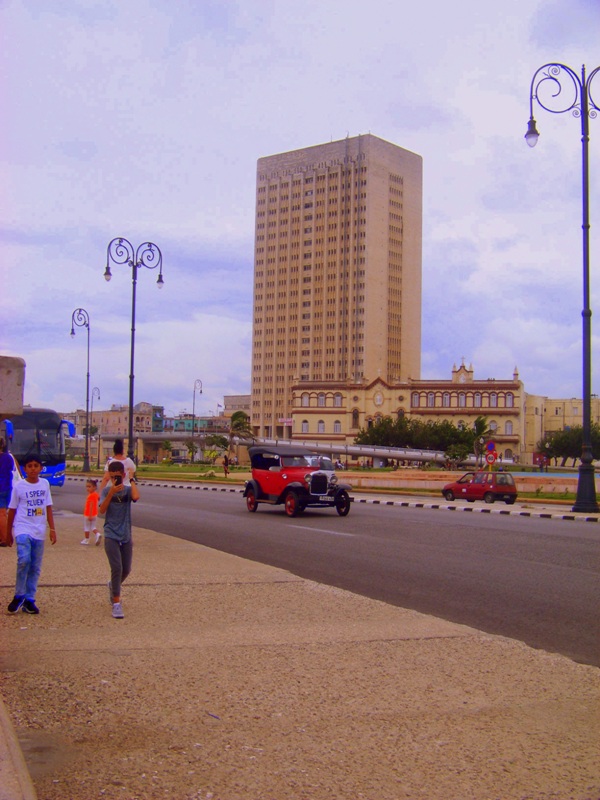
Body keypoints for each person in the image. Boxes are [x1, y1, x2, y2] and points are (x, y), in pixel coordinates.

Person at [6, 453, 56, 614]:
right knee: (23, 560)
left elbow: (48, 506)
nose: (33, 469)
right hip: (23, 528)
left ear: (40, 468)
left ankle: (29, 599)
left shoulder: (44, 484)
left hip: (39, 530)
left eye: (36, 466)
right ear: (25, 469)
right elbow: (12, 509)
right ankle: (19, 594)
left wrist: (52, 529)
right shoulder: (19, 486)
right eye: (30, 466)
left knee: (34, 566)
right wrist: (8, 533)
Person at [99, 461, 140, 619]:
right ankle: (116, 603)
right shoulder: (106, 491)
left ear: (122, 475)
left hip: (125, 534)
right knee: (116, 567)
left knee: (126, 569)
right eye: (113, 476)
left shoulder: (128, 491)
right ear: (109, 476)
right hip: (111, 534)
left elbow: (136, 496)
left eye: (119, 476)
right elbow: (101, 509)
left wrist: (131, 479)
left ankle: (113, 585)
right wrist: (111, 493)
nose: (116, 478)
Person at [0, 438, 17, 546]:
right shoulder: (8, 457)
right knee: (3, 513)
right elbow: (13, 469)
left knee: (1, 514)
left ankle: (4, 538)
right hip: (6, 486)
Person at [81, 479, 101, 546]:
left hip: (88, 514)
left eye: (89, 487)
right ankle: (98, 534)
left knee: (86, 527)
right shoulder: (96, 495)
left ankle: (86, 539)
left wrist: (89, 515)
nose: (87, 488)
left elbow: (91, 505)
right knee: (93, 527)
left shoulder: (91, 496)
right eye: (87, 487)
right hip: (95, 514)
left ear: (94, 487)